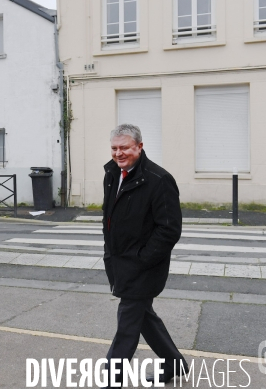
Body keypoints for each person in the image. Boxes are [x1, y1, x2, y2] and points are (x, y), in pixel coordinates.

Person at [101, 124, 186, 387]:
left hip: (144, 266)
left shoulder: (159, 180)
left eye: (125, 147)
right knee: (143, 317)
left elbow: (169, 229)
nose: (119, 153)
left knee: (127, 322)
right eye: (115, 148)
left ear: (140, 146)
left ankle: (111, 378)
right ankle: (174, 364)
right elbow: (110, 219)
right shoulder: (112, 174)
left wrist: (142, 260)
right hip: (119, 262)